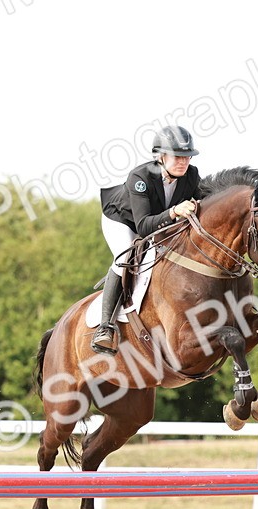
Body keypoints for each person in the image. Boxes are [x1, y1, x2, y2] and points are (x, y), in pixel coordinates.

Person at [93, 125, 202, 354]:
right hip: (122, 220)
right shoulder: (140, 177)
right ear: (161, 156)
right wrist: (174, 212)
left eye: (187, 156)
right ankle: (105, 328)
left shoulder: (191, 176)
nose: (184, 162)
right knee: (125, 255)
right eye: (178, 156)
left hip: (156, 221)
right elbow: (142, 227)